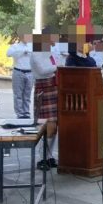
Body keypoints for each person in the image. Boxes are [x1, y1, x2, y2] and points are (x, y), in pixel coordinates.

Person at [31, 27, 60, 169]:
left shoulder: (50, 52)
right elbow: (43, 70)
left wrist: (57, 66)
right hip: (44, 89)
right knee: (47, 126)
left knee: (55, 126)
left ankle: (49, 156)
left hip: (54, 88)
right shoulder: (37, 52)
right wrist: (57, 66)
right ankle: (41, 157)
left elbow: (56, 66)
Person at [6, 31, 34, 118]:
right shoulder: (15, 46)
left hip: (30, 72)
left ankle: (26, 112)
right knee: (18, 94)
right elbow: (8, 54)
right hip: (18, 72)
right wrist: (22, 51)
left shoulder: (32, 46)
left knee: (27, 94)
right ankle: (20, 114)